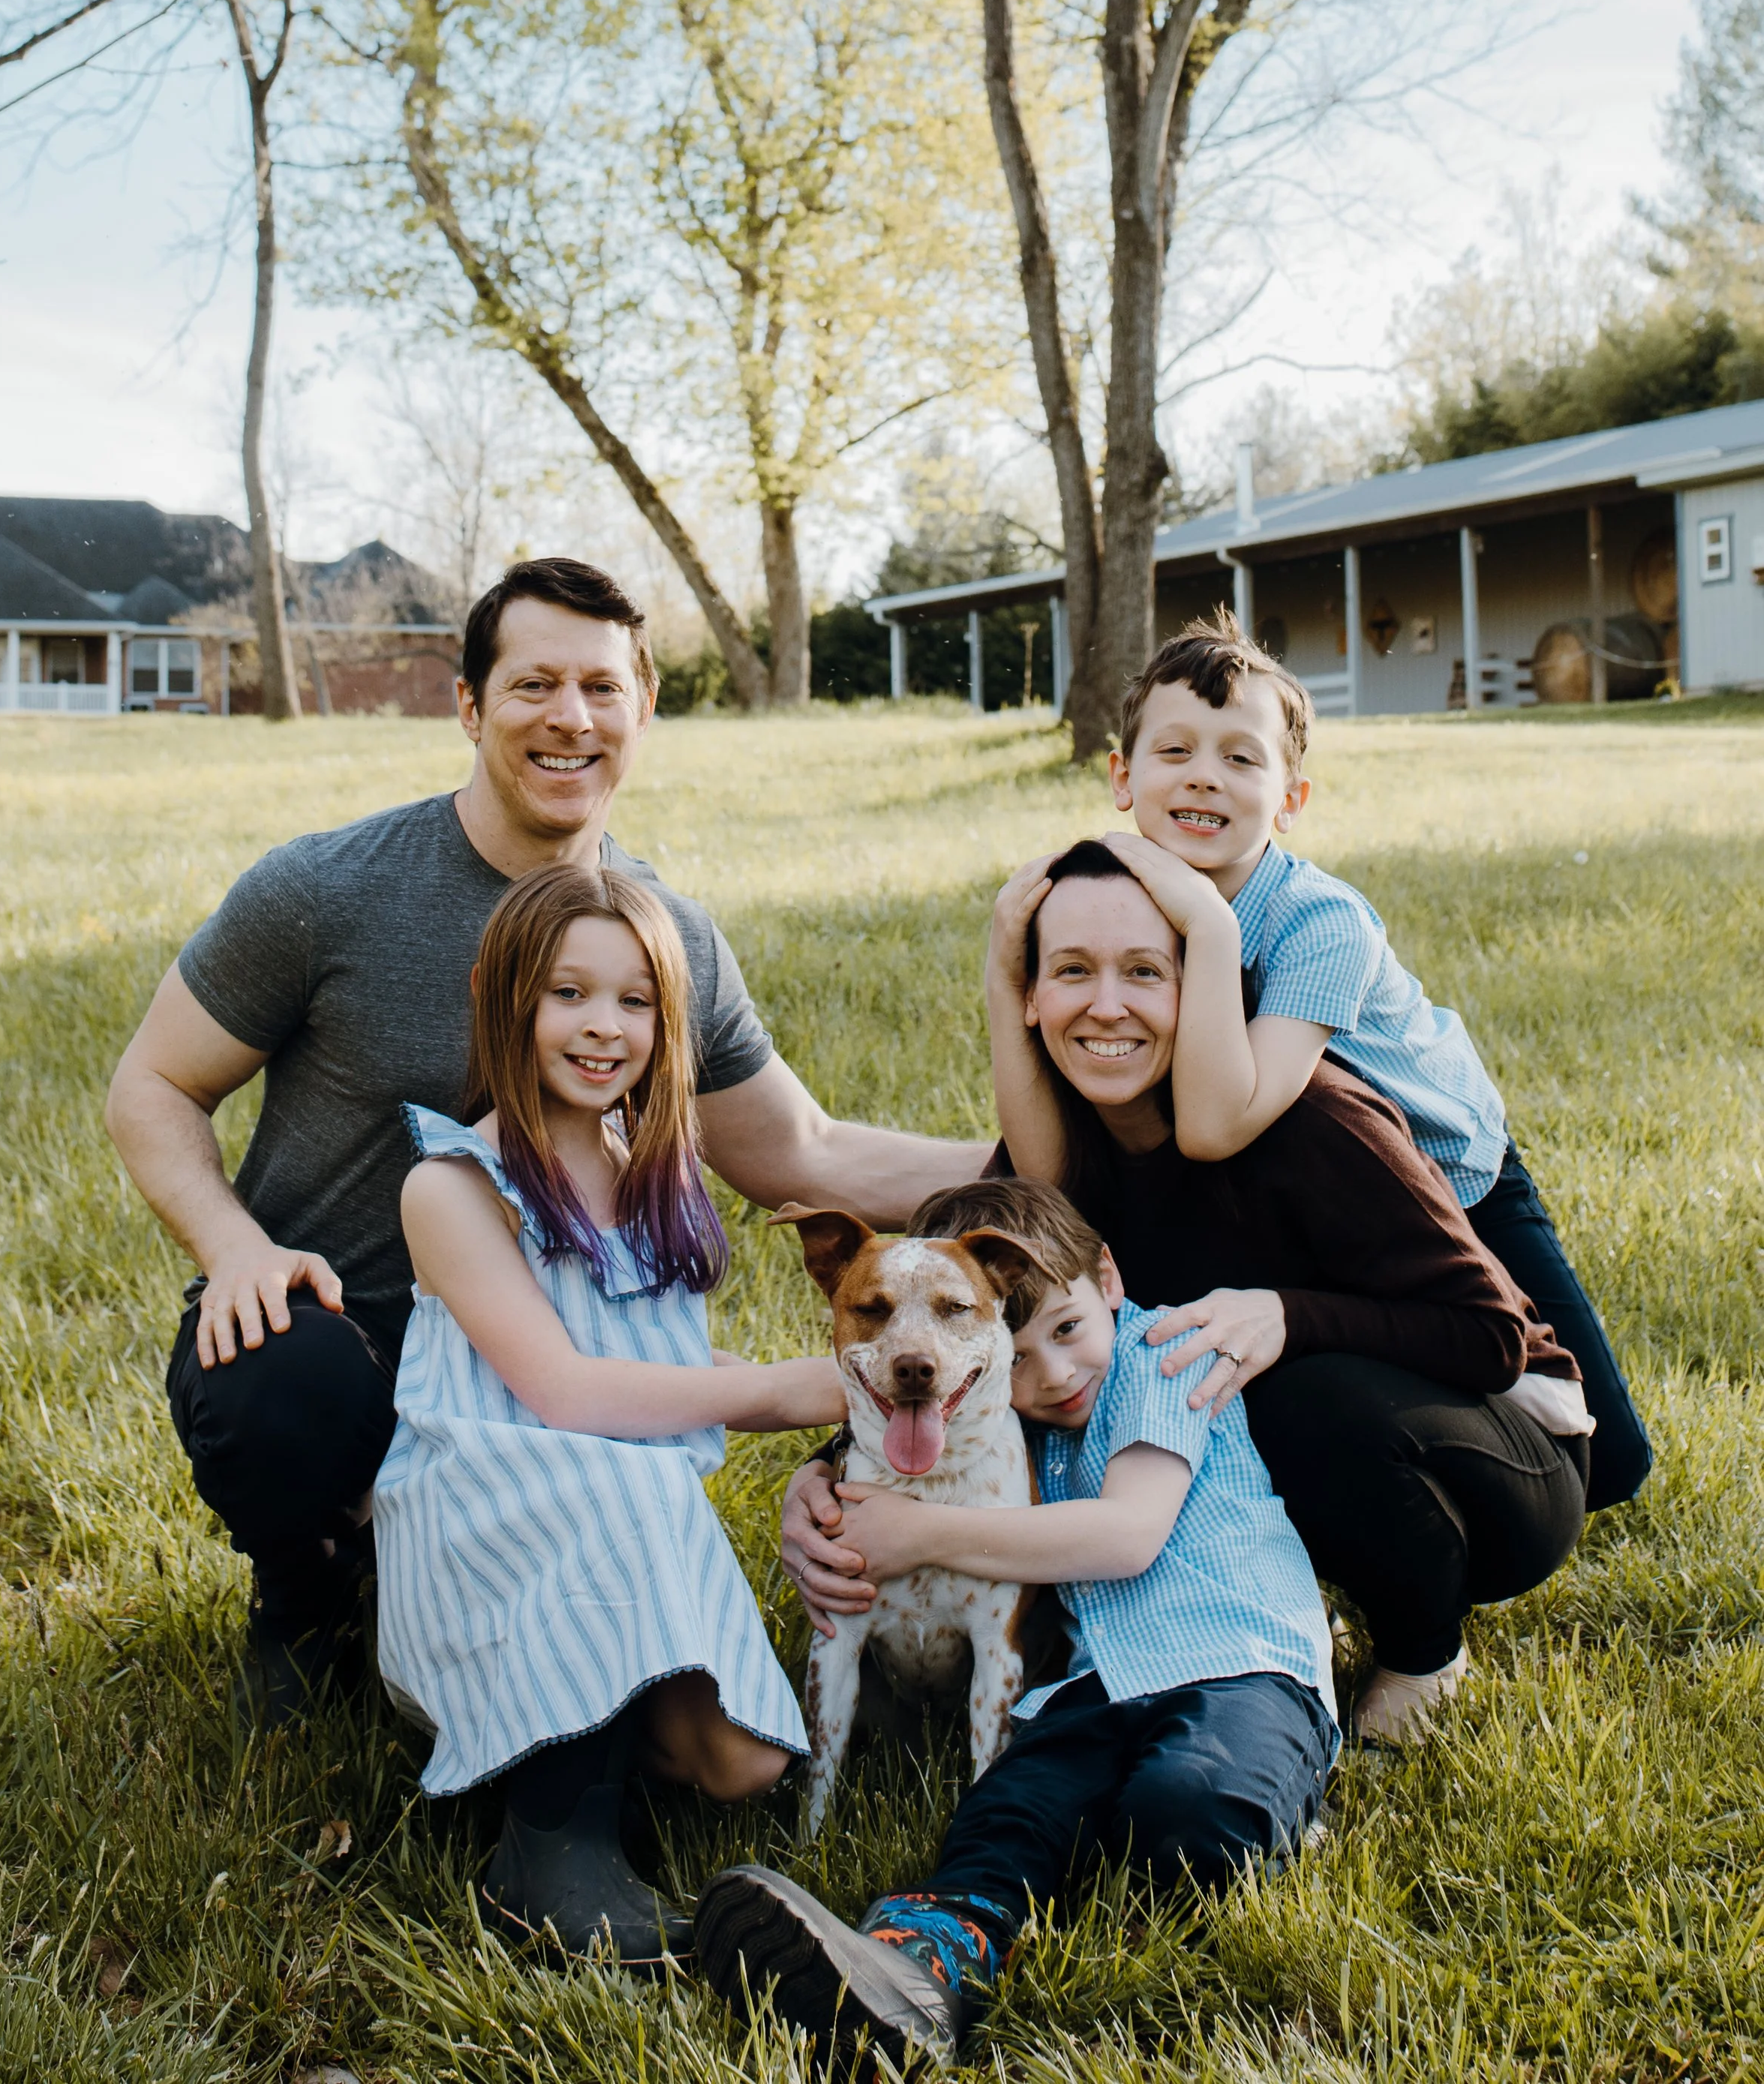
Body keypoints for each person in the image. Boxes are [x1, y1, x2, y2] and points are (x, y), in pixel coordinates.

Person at [105, 554, 984, 1733]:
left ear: (643, 710)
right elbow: (153, 1084)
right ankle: (313, 1588)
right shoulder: (326, 891)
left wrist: (1034, 1158)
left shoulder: (664, 939)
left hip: (546, 1376)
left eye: (602, 688)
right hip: (346, 1340)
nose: (571, 718)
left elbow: (801, 1150)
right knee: (282, 1382)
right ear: (469, 706)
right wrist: (234, 1248)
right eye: (533, 686)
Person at [787, 842, 1591, 1745]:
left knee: (1288, 1390)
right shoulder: (1050, 1163)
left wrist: (1290, 1315)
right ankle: (1281, 1588)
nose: (1106, 1004)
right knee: (1191, 1386)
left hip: (1491, 1467)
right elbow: (959, 1349)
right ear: (1029, 998)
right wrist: (823, 1480)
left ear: (1198, 989)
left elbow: (1491, 1336)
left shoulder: (1319, 1120)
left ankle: (1421, 1647)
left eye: (1144, 972)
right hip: (1262, 1469)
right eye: (1071, 971)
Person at [987, 609, 1650, 1511]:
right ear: (1121, 776)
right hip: (1306, 1193)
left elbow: (1218, 1124)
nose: (1203, 779)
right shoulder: (1113, 902)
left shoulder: (1318, 921)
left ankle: (1477, 1389)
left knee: (1609, 1461)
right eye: (1174, 752)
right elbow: (1050, 1175)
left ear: (1290, 801)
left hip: (1450, 1177)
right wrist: (1003, 971)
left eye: (1240, 758)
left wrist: (1212, 926)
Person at [696, 1173, 1338, 2076]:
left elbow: (1124, 1537)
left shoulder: (1162, 1359)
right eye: (1021, 1357)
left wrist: (916, 1531)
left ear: (1108, 1283)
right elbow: (891, 1418)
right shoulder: (998, 1412)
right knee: (1001, 1817)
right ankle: (912, 1967)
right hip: (1086, 1691)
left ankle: (1281, 1804)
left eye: (1068, 1331)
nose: (1054, 1375)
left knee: (1186, 1814)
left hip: (1237, 1668)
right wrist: (819, 1474)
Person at [377, 861, 843, 1960]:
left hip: (624, 1527)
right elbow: (561, 1388)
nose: (604, 1027)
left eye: (635, 1001)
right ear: (508, 998)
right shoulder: (454, 1182)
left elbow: (651, 1355)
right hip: (482, 1523)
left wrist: (801, 1379)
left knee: (746, 1768)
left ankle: (594, 1723)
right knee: (616, 1472)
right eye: (569, 994)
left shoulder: (648, 1172)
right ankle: (547, 1854)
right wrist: (772, 1389)